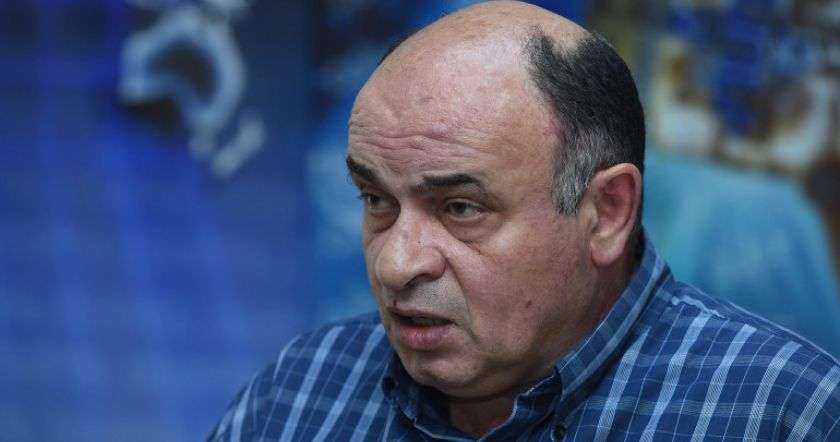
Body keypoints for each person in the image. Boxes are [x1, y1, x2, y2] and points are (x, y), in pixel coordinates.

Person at [209, 1, 840, 440]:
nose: (397, 264)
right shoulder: (298, 392)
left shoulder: (783, 413)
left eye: (460, 209)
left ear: (607, 213)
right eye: (377, 200)